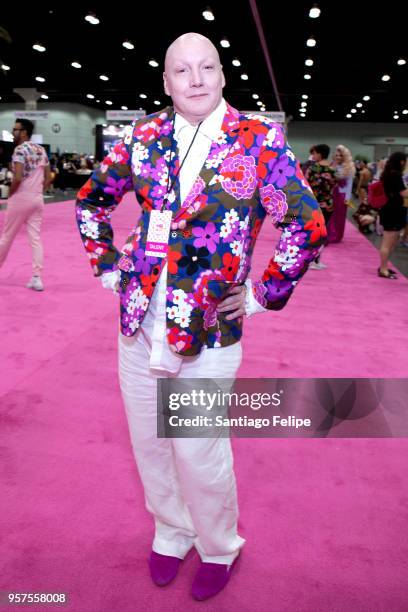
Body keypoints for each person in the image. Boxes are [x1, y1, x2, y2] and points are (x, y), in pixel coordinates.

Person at [76, 32, 326, 601]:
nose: (194, 80)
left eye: (206, 67)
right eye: (181, 71)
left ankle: (218, 544)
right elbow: (92, 201)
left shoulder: (259, 140)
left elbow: (306, 225)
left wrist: (263, 295)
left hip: (209, 331)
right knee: (149, 442)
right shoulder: (144, 137)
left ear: (221, 75)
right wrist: (108, 269)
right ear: (165, 83)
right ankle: (171, 530)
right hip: (139, 324)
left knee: (198, 449)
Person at [0, 118, 51, 290]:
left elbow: (18, 178)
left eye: (16, 129)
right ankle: (37, 278)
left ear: (24, 132)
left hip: (20, 198)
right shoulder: (41, 150)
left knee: (7, 237)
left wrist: (11, 194)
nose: (13, 131)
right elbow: (49, 176)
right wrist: (39, 191)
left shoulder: (19, 150)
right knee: (35, 239)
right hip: (37, 199)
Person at [304, 144, 336, 269]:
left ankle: (312, 259)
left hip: (314, 205)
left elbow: (306, 185)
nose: (313, 155)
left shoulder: (312, 168)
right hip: (327, 205)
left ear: (320, 154)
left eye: (315, 153)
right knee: (322, 233)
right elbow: (334, 186)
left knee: (312, 232)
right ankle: (316, 259)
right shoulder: (332, 170)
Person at [377, 152, 408, 279]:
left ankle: (384, 266)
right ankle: (383, 269)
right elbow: (404, 193)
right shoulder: (395, 175)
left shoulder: (388, 174)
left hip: (390, 209)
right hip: (393, 210)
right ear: (401, 162)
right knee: (388, 242)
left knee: (391, 241)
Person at [328, 145, 355, 243]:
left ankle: (337, 235)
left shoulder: (348, 168)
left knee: (339, 216)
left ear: (345, 157)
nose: (338, 157)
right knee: (330, 214)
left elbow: (350, 185)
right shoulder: (331, 165)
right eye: (337, 155)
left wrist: (347, 198)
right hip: (331, 194)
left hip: (342, 195)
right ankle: (329, 233)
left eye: (341, 155)